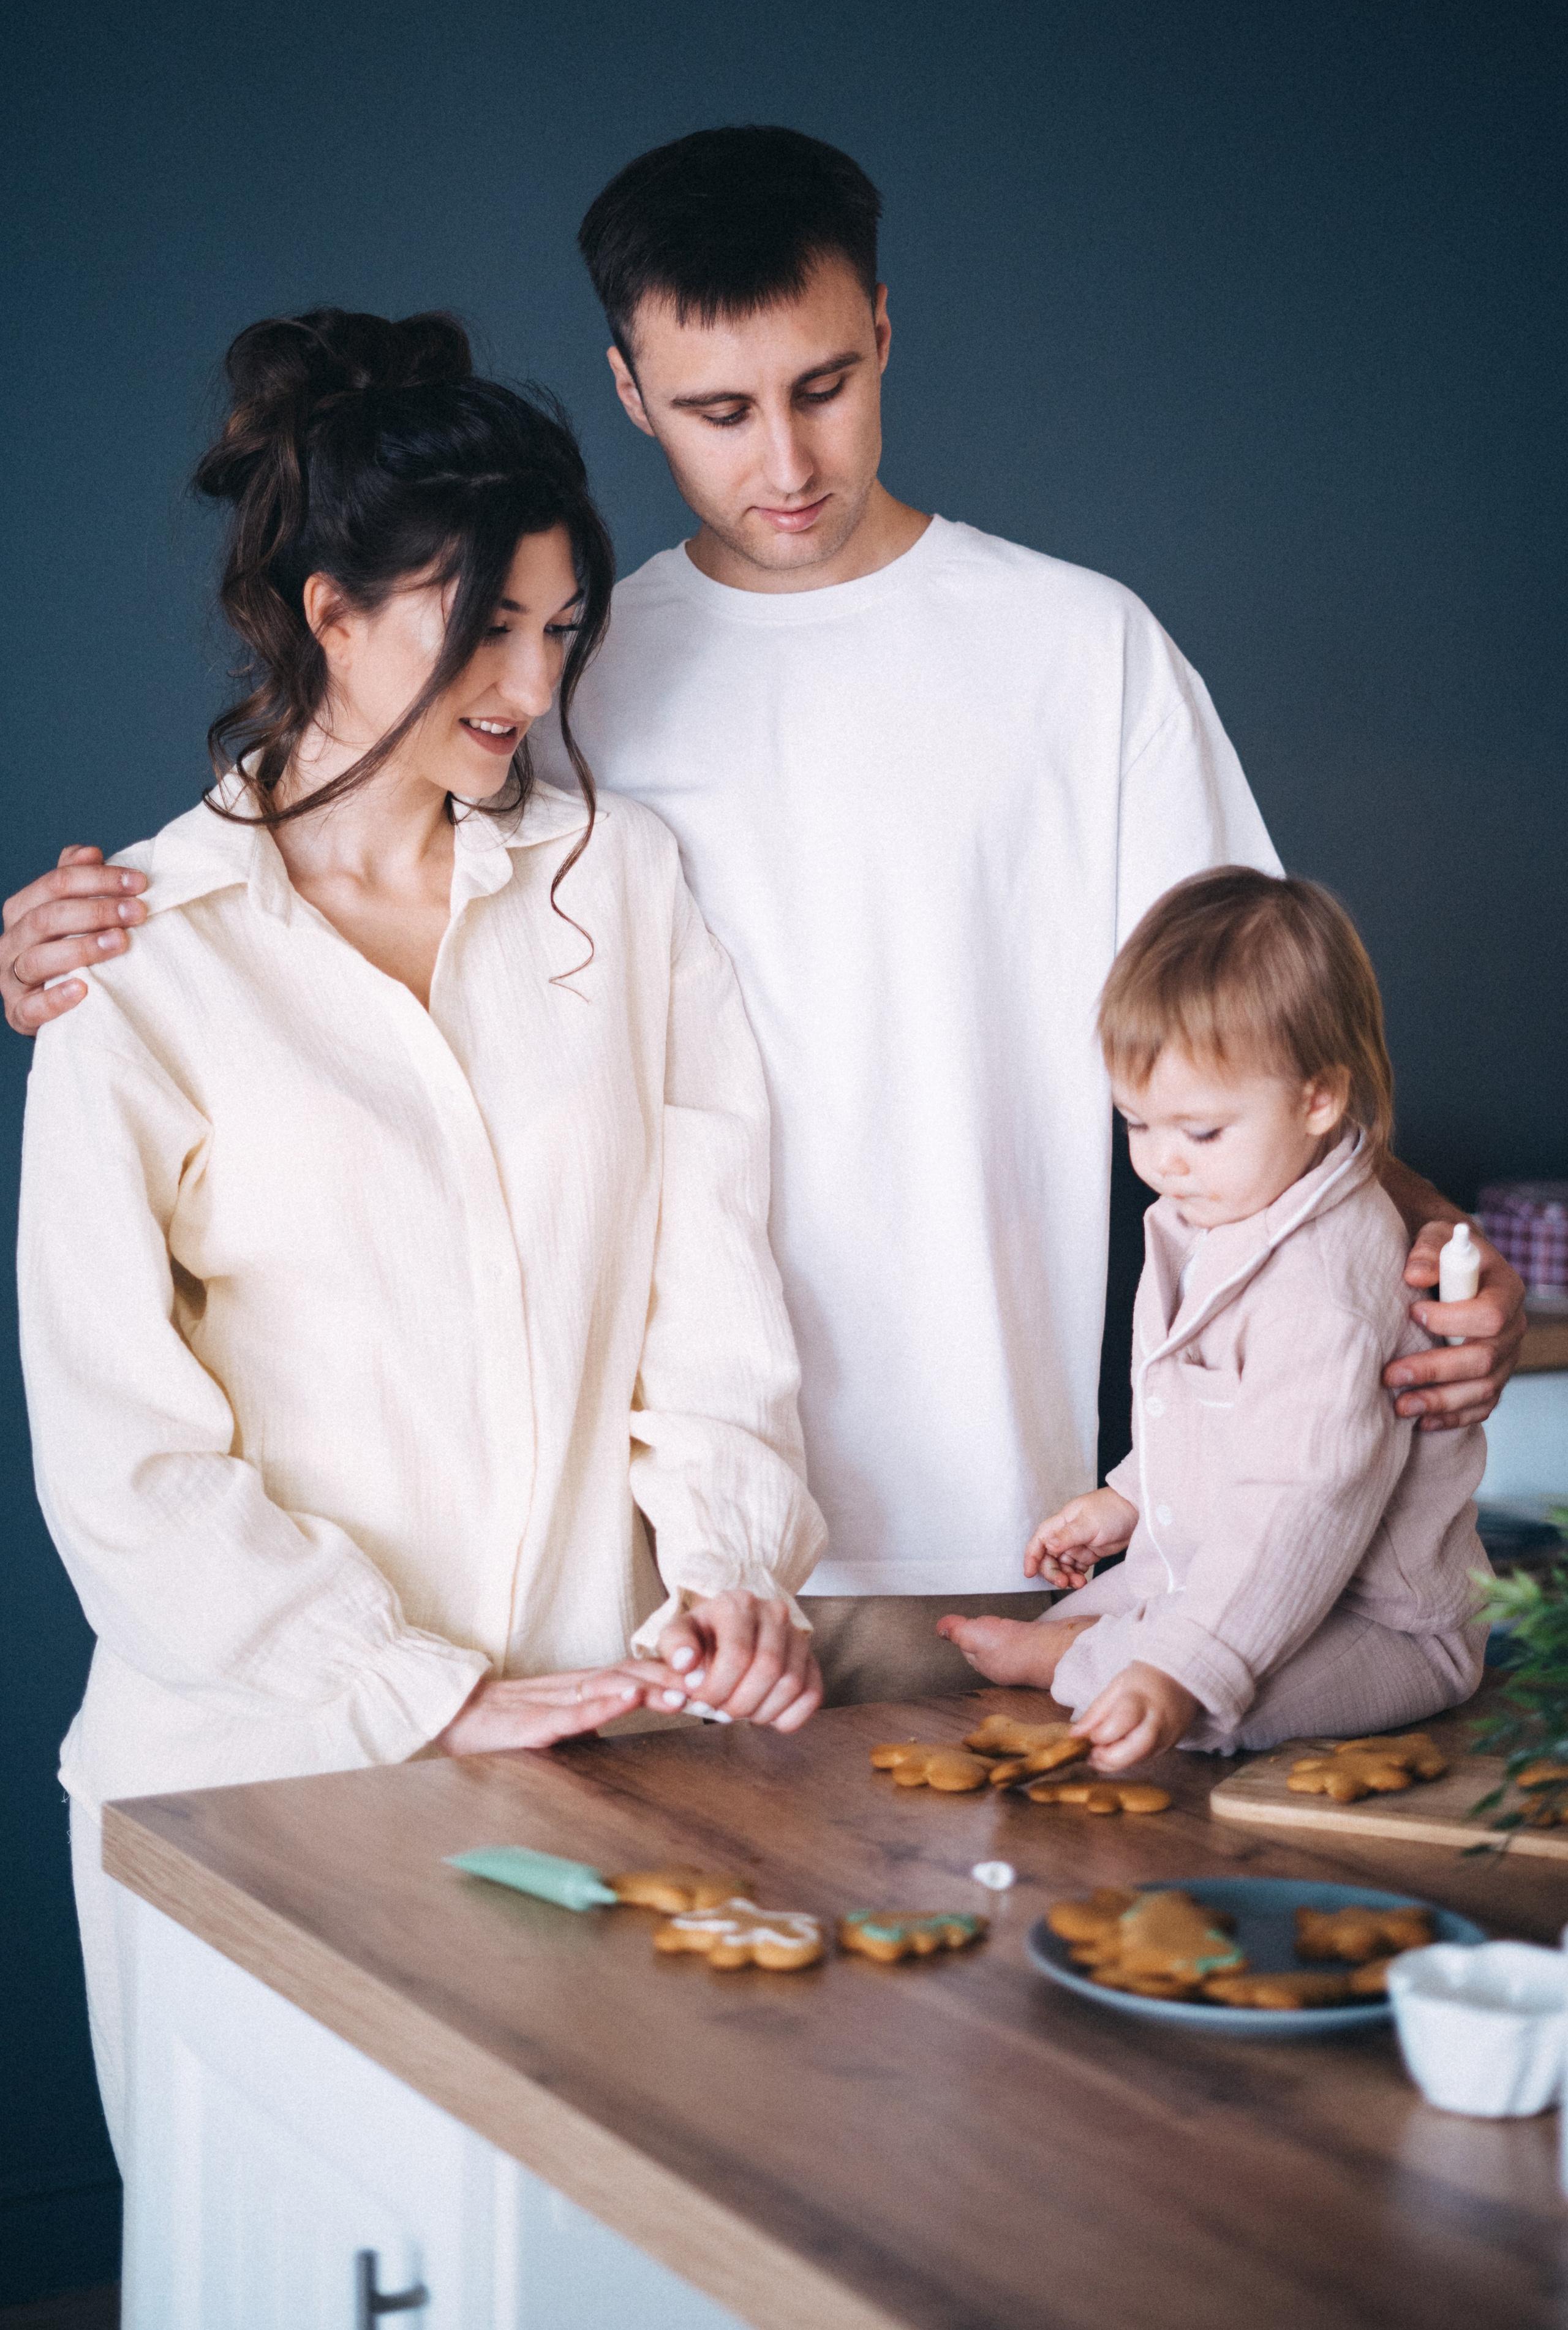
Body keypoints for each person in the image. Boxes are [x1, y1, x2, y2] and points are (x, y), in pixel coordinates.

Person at [3, 128, 1525, 1708]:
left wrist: (1425, 1263)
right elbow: (325, 907)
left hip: (1017, 1533)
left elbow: (1265, 1054)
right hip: (649, 1582)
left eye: (821, 387)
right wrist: (91, 939)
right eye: (718, 412)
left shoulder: (1083, 659)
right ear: (627, 390)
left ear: (882, 328)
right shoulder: (558, 674)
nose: (783, 464)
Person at [18, 308, 826, 2157]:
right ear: (329, 611)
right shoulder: (138, 953)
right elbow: (119, 1449)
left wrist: (726, 1565)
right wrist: (419, 1692)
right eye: (486, 629)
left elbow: (711, 1283)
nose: (531, 689)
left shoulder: (623, 886)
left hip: (601, 1763)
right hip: (254, 1780)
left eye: (560, 632)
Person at [940, 869, 1491, 1764]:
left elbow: (1298, 1505)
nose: (1165, 1162)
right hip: (1223, 1558)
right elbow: (1217, 1410)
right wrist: (1129, 1497)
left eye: (1199, 1132)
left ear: (1319, 1098)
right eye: (1136, 1124)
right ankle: (1080, 1647)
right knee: (1110, 1621)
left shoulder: (1326, 1283)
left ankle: (1072, 1662)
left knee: (1202, 1700)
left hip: (1380, 1617)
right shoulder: (1219, 1210)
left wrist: (1178, 1670)